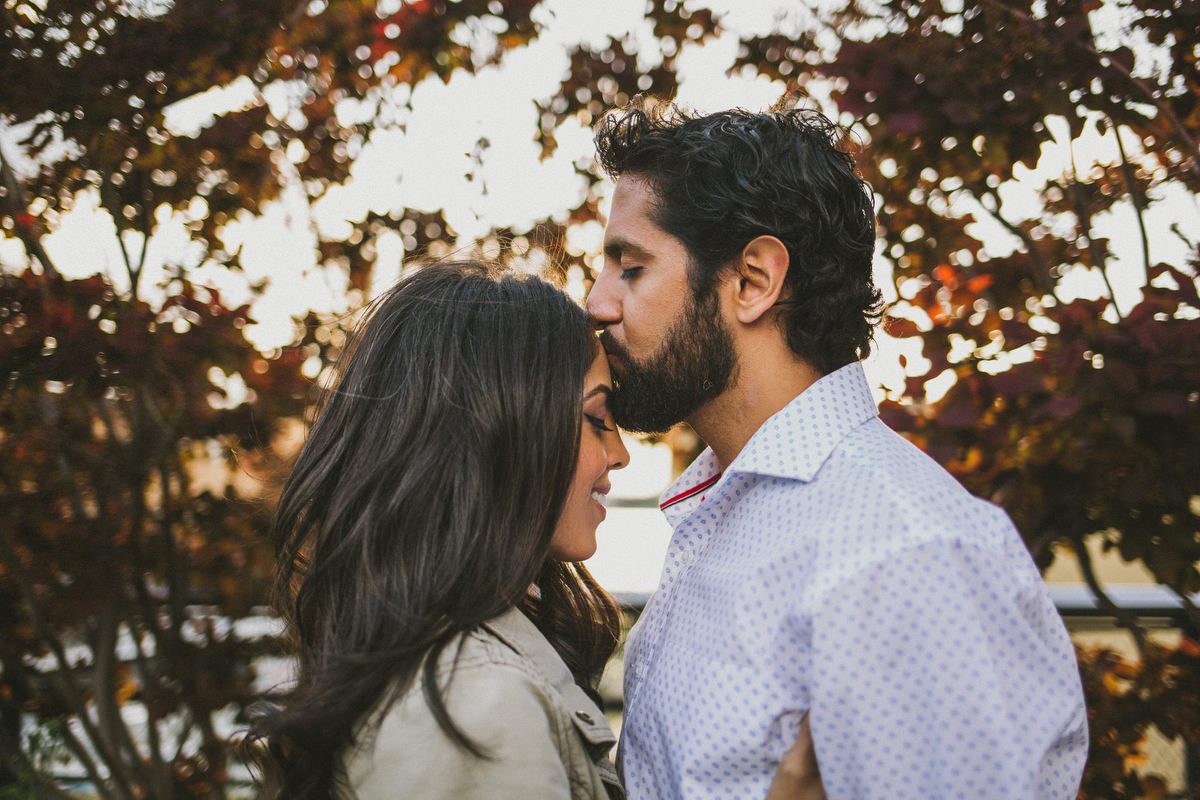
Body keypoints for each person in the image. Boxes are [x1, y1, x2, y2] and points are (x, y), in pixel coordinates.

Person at [587, 103, 1089, 799]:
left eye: (630, 267)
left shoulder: (906, 553)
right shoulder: (724, 514)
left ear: (754, 281)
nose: (597, 302)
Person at [249, 260, 630, 798]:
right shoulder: (476, 705)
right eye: (595, 419)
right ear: (498, 431)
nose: (621, 453)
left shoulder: (444, 663)